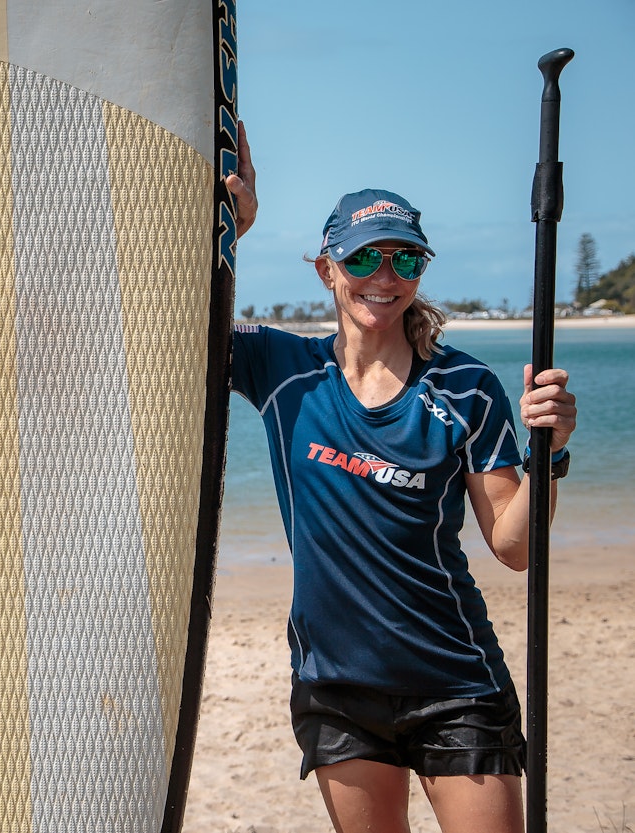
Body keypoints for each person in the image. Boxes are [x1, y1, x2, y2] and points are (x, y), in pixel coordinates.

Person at [228, 183, 577, 832]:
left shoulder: (466, 387)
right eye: (363, 259)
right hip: (336, 687)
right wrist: (232, 234)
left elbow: (515, 545)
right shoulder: (281, 366)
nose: (384, 277)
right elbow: (174, 316)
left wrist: (548, 456)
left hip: (456, 684)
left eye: (405, 260)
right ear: (326, 267)